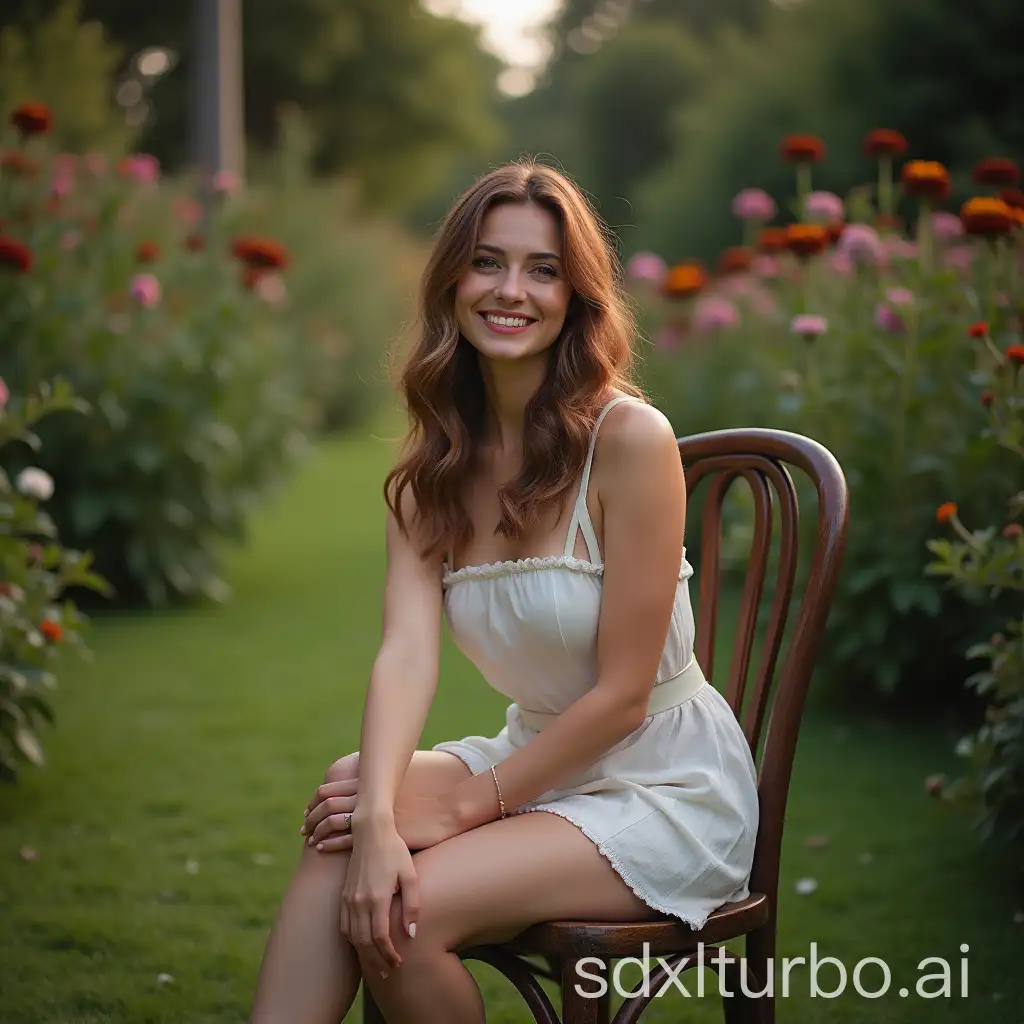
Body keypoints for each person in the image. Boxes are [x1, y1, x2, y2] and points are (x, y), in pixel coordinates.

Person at [248, 160, 759, 1024]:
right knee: (348, 807)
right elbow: (405, 656)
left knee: (406, 913)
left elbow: (626, 696)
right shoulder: (430, 477)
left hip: (663, 784)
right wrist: (380, 819)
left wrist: (462, 806)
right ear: (452, 282)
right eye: (487, 262)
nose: (510, 290)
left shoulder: (628, 439)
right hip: (538, 759)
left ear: (576, 296)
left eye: (543, 268)